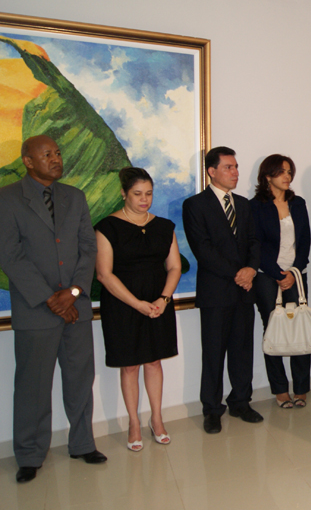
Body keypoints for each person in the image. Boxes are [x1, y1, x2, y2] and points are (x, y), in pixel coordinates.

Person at [0, 135, 106, 483]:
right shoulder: (7, 198)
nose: (56, 158)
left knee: (80, 380)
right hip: (36, 310)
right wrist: (51, 299)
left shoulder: (74, 197)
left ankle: (82, 443)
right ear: (28, 161)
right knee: (32, 386)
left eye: (58, 153)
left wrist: (73, 292)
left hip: (75, 307)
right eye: (47, 154)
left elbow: (88, 248)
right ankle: (30, 455)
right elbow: (10, 255)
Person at [95, 168, 181, 452]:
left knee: (154, 362)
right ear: (124, 193)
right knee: (130, 365)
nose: (144, 200)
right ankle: (133, 422)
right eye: (137, 194)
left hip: (158, 303)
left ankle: (156, 419)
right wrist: (137, 304)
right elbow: (104, 274)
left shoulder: (164, 226)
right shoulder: (107, 227)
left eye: (149, 194)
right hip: (123, 305)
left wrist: (163, 299)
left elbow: (174, 267)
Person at [183, 146, 262, 434]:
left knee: (242, 350)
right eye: (229, 167)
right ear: (211, 171)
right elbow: (203, 249)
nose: (235, 172)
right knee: (214, 353)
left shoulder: (243, 204)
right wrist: (238, 274)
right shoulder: (195, 205)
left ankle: (241, 401)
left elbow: (254, 242)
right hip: (216, 291)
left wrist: (251, 269)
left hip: (245, 290)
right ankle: (212, 409)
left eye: (236, 166)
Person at [251, 155, 311, 408]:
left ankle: (301, 388)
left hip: (296, 275)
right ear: (268, 176)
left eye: (289, 172)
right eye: (281, 172)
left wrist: (293, 272)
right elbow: (256, 245)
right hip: (267, 277)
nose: (287, 176)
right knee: (273, 331)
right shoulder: (255, 206)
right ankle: (279, 389)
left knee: (300, 327)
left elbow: (305, 240)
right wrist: (277, 274)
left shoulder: (298, 203)